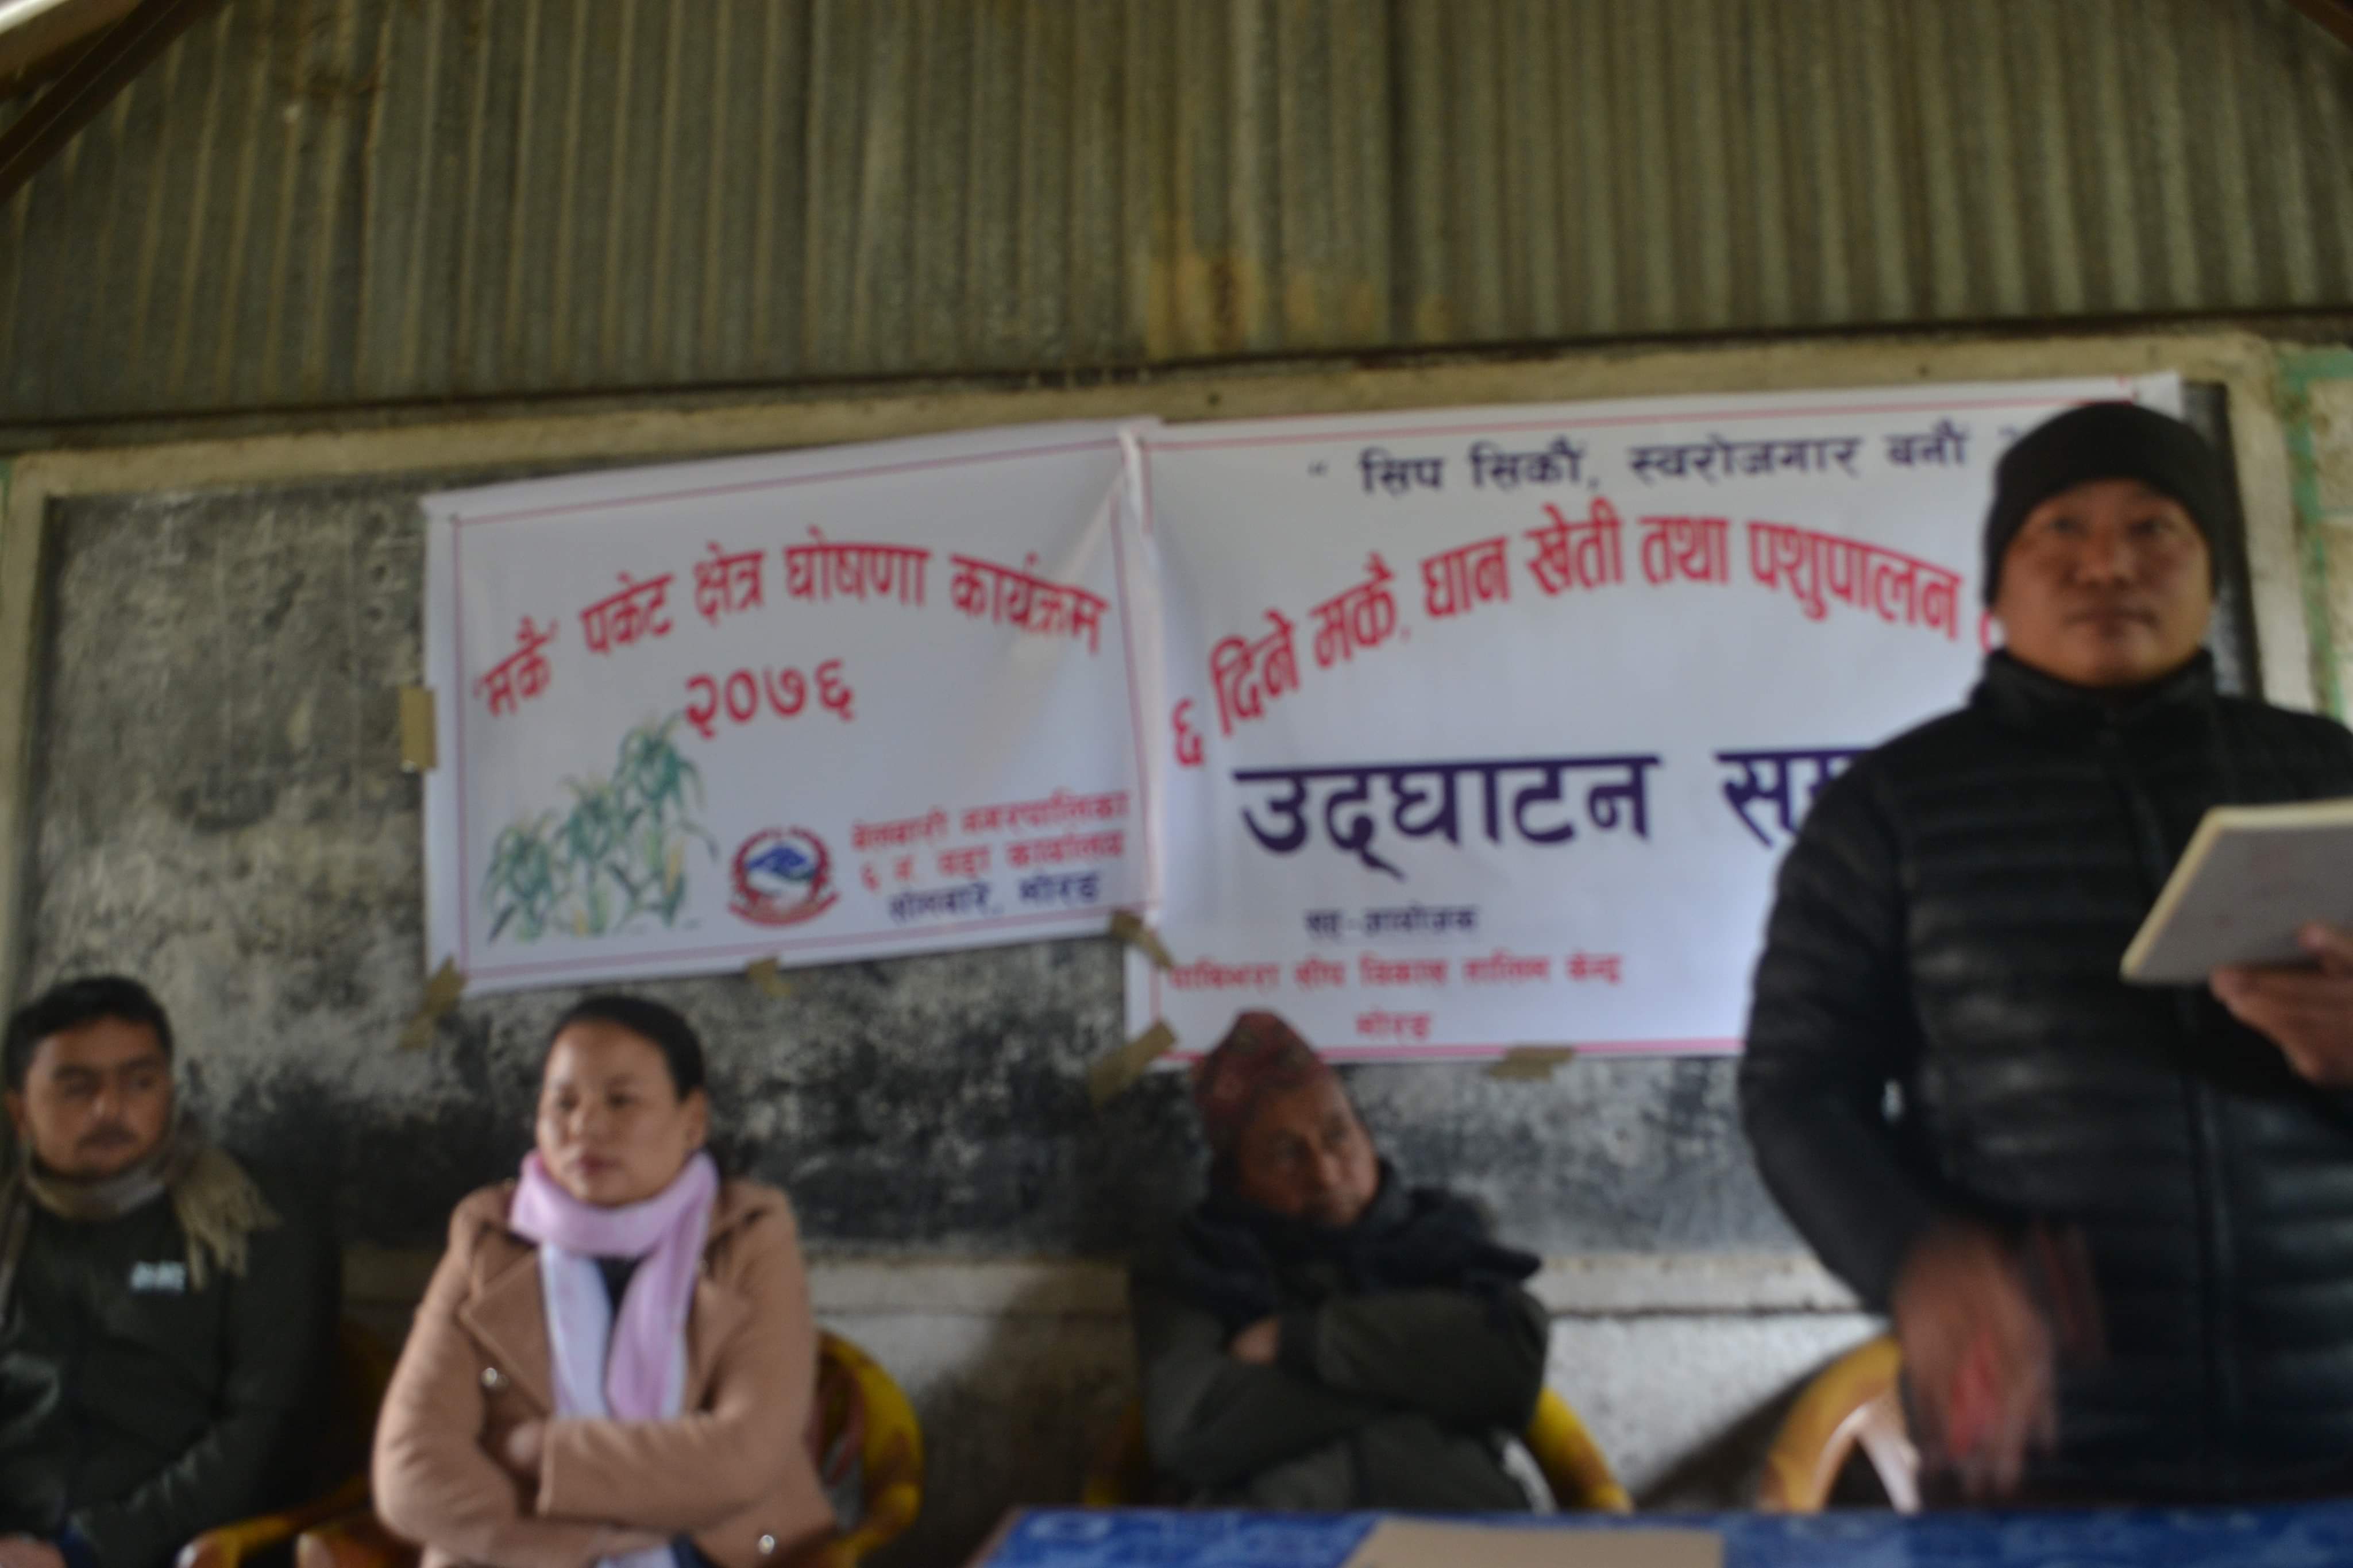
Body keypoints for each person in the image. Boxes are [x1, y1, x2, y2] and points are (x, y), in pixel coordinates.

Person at [1742, 401, 2353, 1504]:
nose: (2107, 564)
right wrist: (1913, 1260)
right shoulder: (1889, 810)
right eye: (2060, 528)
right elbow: (1797, 1091)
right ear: (1996, 587)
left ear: (2211, 576)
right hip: (2041, 1441)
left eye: (2155, 528)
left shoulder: (2327, 777)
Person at [372, 994, 831, 1568]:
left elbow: (744, 1455)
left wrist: (541, 1452)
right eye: (563, 1103)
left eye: (621, 1100)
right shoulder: (488, 1240)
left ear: (693, 1120)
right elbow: (409, 1472)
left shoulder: (749, 1236)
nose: (585, 1126)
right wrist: (584, 1545)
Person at [1129, 1011, 1550, 1510]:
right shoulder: (1197, 1262)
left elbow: (1511, 1365)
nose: (1326, 1175)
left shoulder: (1443, 1236)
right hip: (1269, 1533)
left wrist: (1300, 1339)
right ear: (1234, 1180)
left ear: (1367, 1136)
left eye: (1338, 1137)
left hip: (1458, 1526)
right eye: (1286, 1154)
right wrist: (1422, 1370)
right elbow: (1188, 1430)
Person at [0, 975, 336, 1568]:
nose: (110, 1109)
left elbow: (265, 1432)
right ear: (19, 1112)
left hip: (172, 1547)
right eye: (77, 1088)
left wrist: (83, 1551)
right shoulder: (12, 1221)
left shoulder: (248, 1222)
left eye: (140, 1082)